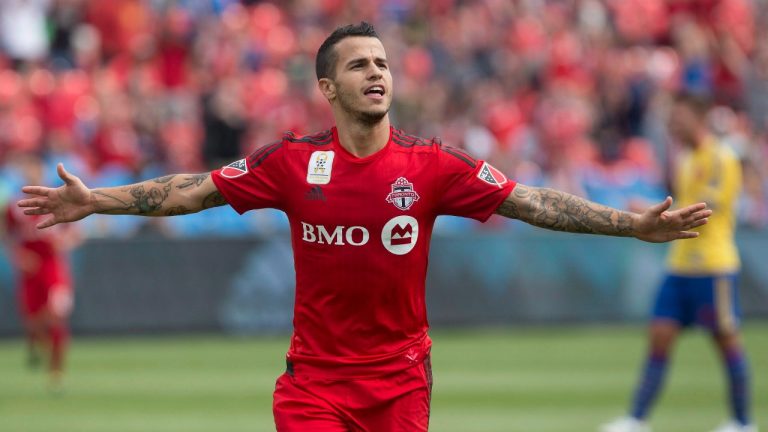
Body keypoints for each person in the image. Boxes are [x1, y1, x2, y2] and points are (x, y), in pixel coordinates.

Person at [18, 22, 711, 431]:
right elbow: (190, 192)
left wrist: (632, 225)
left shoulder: (434, 164)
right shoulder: (292, 162)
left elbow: (530, 202)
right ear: (328, 88)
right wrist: (97, 201)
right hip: (314, 384)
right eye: (359, 65)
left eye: (382, 63)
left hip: (402, 382)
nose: (377, 73)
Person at [600, 94, 756, 432]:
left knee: (726, 341)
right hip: (679, 265)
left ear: (699, 117)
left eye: (679, 117)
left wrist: (649, 207)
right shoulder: (684, 157)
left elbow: (704, 209)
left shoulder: (722, 157)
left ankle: (743, 423)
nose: (673, 124)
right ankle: (636, 420)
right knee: (659, 335)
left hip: (713, 266)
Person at [3, 153, 80, 391]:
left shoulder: (57, 202)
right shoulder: (14, 208)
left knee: (56, 316)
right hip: (30, 271)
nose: (33, 175)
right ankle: (36, 343)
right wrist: (18, 256)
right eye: (29, 172)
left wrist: (64, 243)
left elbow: (75, 232)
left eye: (36, 171)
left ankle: (56, 372)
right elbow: (6, 236)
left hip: (53, 268)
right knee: (34, 320)